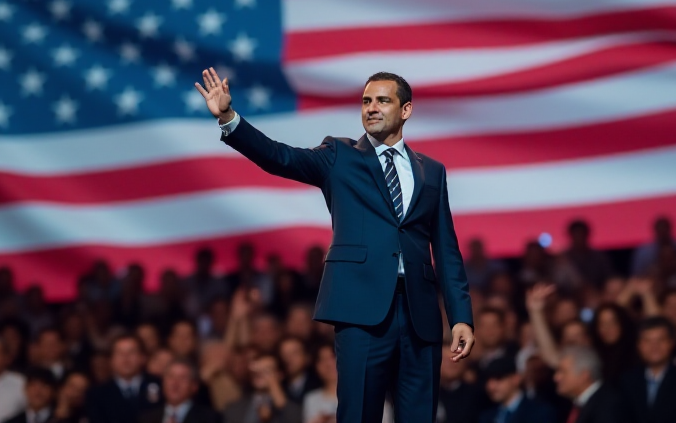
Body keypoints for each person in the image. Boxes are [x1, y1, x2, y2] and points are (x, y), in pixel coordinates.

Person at [196, 68, 475, 423]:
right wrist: (229, 119)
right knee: (358, 414)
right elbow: (279, 157)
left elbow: (447, 251)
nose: (371, 108)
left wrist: (461, 317)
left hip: (420, 315)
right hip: (360, 311)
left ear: (405, 110)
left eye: (382, 100)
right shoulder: (340, 155)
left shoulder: (431, 171)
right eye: (366, 101)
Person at [619, 317, 676, 423]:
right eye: (647, 341)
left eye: (660, 340)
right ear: (639, 346)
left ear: (671, 343)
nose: (654, 346)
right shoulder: (627, 380)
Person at [85, 335, 162, 423]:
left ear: (142, 357)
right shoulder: (97, 394)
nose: (125, 358)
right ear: (111, 360)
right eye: (120, 353)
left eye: (131, 352)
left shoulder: (160, 385)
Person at [222, 354, 301, 423]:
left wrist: (273, 387)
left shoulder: (294, 404)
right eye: (257, 371)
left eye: (267, 370)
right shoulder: (234, 408)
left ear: (280, 375)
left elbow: (294, 419)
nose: (260, 374)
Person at [553, 346, 624, 423]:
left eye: (563, 371)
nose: (556, 377)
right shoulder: (579, 406)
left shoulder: (607, 404)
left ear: (584, 375)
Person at [477, 356, 555, 423]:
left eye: (498, 378)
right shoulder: (486, 417)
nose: (491, 386)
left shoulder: (539, 412)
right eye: (488, 381)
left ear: (516, 379)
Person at [138, 360, 220, 423]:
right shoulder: (146, 419)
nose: (175, 383)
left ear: (194, 386)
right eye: (170, 377)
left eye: (182, 378)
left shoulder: (209, 419)